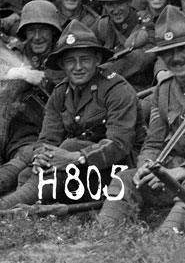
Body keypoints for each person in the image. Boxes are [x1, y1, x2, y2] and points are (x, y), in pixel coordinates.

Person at [97, 6, 185, 231]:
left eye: (182, 49)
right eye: (168, 52)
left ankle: (167, 238)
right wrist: (147, 168)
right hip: (169, 173)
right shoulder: (163, 90)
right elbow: (153, 143)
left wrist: (183, 170)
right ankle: (101, 237)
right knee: (125, 179)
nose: (176, 58)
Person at [0, 19, 137, 210]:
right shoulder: (60, 93)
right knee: (28, 171)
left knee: (69, 147)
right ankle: (18, 207)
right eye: (71, 61)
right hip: (77, 170)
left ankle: (6, 206)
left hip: (116, 170)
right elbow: (47, 139)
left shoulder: (117, 89)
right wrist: (42, 155)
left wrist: (76, 157)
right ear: (62, 65)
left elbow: (119, 144)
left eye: (85, 59)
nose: (78, 67)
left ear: (97, 60)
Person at [0, 1, 63, 196]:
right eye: (31, 30)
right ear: (23, 32)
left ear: (53, 32)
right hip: (8, 125)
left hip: (40, 131)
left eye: (43, 30)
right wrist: (18, 73)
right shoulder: (14, 51)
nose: (37, 37)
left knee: (24, 157)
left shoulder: (65, 55)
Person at [91, 0, 156, 92]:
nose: (115, 10)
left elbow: (138, 60)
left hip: (139, 92)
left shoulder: (146, 25)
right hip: (106, 91)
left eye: (120, 3)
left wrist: (98, 73)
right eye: (109, 4)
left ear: (129, 0)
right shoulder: (101, 26)